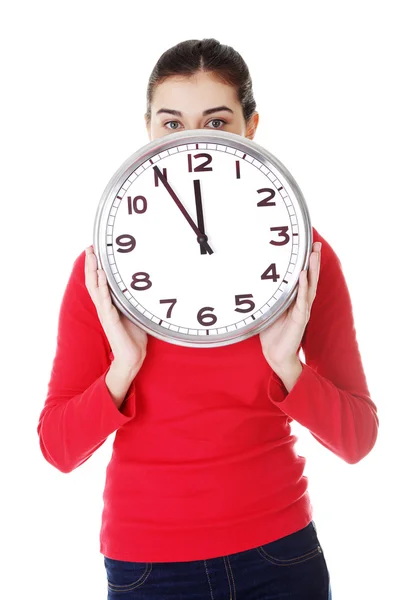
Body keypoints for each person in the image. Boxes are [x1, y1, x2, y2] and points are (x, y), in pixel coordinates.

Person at [37, 38, 379, 600]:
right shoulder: (102, 268)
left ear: (251, 128)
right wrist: (124, 367)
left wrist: (285, 365)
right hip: (148, 566)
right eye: (172, 125)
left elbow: (357, 439)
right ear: (146, 130)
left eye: (215, 122)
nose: (193, 141)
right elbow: (58, 448)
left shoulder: (305, 258)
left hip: (281, 553)